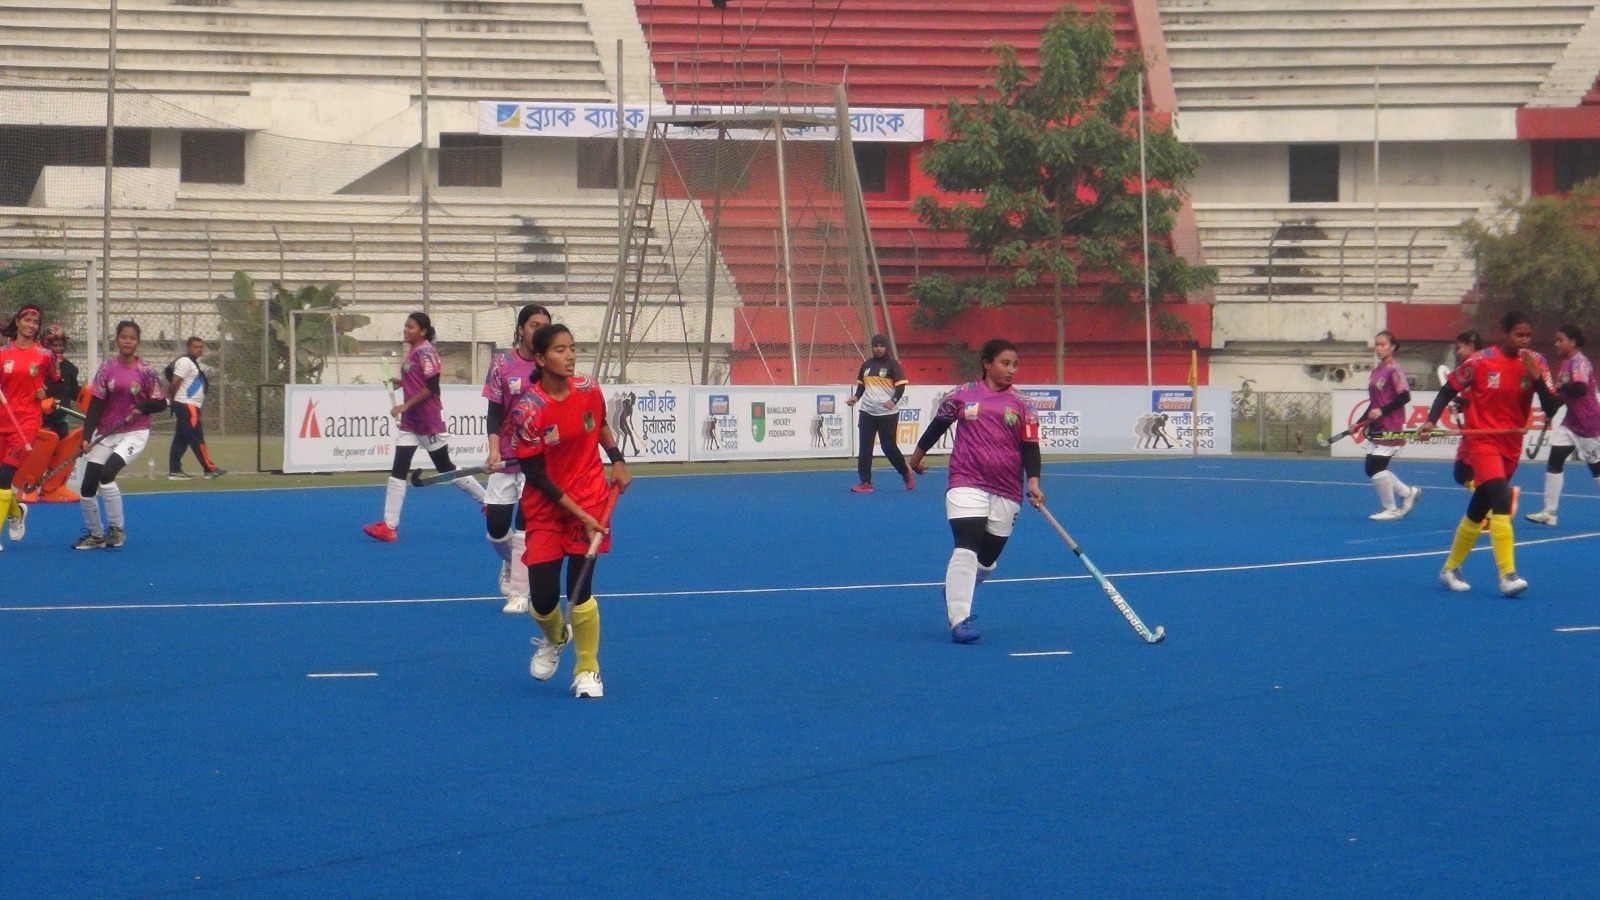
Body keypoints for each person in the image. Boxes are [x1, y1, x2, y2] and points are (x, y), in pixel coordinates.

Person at [506, 323, 631, 698]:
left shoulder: (588, 388)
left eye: (573, 348)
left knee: (579, 591)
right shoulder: (528, 410)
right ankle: (556, 636)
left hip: (592, 495)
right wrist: (579, 514)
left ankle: (588, 669)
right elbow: (536, 475)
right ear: (541, 359)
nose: (571, 356)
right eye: (560, 350)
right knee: (543, 599)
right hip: (547, 507)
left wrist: (617, 458)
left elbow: (601, 425)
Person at [906, 338, 1043, 644]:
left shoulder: (1023, 404)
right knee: (966, 548)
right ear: (987, 363)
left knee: (988, 559)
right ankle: (959, 619)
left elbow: (1030, 447)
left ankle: (956, 588)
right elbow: (938, 426)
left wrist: (1033, 482)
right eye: (1005, 363)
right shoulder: (962, 395)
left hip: (1008, 488)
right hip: (966, 480)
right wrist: (916, 456)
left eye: (1015, 365)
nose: (1011, 370)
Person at [1421, 311, 1558, 596]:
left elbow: (1551, 407)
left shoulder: (1537, 362)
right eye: (1518, 335)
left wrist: (1537, 379)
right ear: (1505, 334)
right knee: (1500, 497)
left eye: (1527, 336)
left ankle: (1450, 568)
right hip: (1481, 441)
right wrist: (1431, 420)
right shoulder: (1481, 361)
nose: (1524, 341)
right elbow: (1447, 390)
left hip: (1511, 444)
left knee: (1478, 508)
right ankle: (1508, 574)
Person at [363, 312, 487, 542]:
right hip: (411, 421)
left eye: (410, 327)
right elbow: (416, 380)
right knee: (399, 468)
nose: (405, 330)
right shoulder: (413, 351)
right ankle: (389, 526)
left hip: (426, 420)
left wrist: (405, 405)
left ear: (422, 331)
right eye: (405, 326)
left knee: (445, 468)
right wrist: (402, 383)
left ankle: (487, 501)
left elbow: (431, 387)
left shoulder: (426, 352)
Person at [75, 319, 168, 549]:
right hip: (107, 432)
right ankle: (96, 534)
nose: (127, 341)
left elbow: (160, 403)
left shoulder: (145, 371)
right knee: (87, 487)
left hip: (134, 433)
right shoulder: (107, 368)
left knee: (107, 474)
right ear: (117, 339)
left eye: (132, 338)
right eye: (123, 337)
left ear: (137, 342)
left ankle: (116, 530)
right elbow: (96, 405)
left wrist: (142, 407)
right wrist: (87, 437)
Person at [482, 303, 551, 613]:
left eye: (544, 325)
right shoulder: (502, 364)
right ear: (521, 328)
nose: (539, 330)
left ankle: (519, 594)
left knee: (526, 523)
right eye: (534, 325)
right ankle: (511, 562)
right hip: (506, 457)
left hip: (536, 459)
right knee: (496, 528)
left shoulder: (550, 365)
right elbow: (494, 412)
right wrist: (494, 449)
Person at [1526, 324, 1600, 526]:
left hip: (1588, 425)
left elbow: (1580, 388)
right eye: (1556, 340)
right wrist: (1552, 410)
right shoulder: (1565, 365)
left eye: (1561, 340)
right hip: (1570, 423)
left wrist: (1561, 387)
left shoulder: (1580, 362)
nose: (1556, 344)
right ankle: (1549, 512)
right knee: (1554, 461)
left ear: (1573, 342)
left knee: (1597, 471)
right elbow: (1563, 397)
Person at [0, 304, 59, 551]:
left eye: (36, 322)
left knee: (3, 478)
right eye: (28, 320)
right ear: (18, 322)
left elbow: (60, 384)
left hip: (26, 423)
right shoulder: (3, 353)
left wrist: (48, 392)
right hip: (3, 419)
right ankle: (17, 512)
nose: (32, 325)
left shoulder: (45, 355)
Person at [1360, 330, 1421, 521]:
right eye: (1376, 344)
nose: (1378, 348)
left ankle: (1391, 509)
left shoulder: (1395, 369)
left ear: (1392, 347)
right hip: (1377, 426)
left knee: (1374, 467)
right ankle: (1407, 493)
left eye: (1382, 344)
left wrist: (1382, 411)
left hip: (1390, 426)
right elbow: (1374, 403)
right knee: (1374, 468)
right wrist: (1360, 422)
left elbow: (1405, 396)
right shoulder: (1376, 371)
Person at [846, 333, 914, 493]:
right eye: (875, 346)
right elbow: (862, 386)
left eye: (881, 346)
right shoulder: (866, 365)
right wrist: (856, 398)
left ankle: (905, 472)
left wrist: (894, 400)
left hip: (887, 414)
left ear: (886, 347)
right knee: (865, 448)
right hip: (867, 412)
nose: (878, 349)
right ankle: (865, 482)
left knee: (888, 447)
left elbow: (900, 386)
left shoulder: (893, 365)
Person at [167, 336, 225, 480]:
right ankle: (209, 469)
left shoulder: (192, 363)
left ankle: (175, 470)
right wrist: (173, 400)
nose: (199, 349)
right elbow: (175, 383)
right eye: (196, 347)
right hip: (187, 406)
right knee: (196, 437)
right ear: (188, 347)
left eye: (201, 347)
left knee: (181, 438)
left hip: (188, 405)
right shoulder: (186, 362)